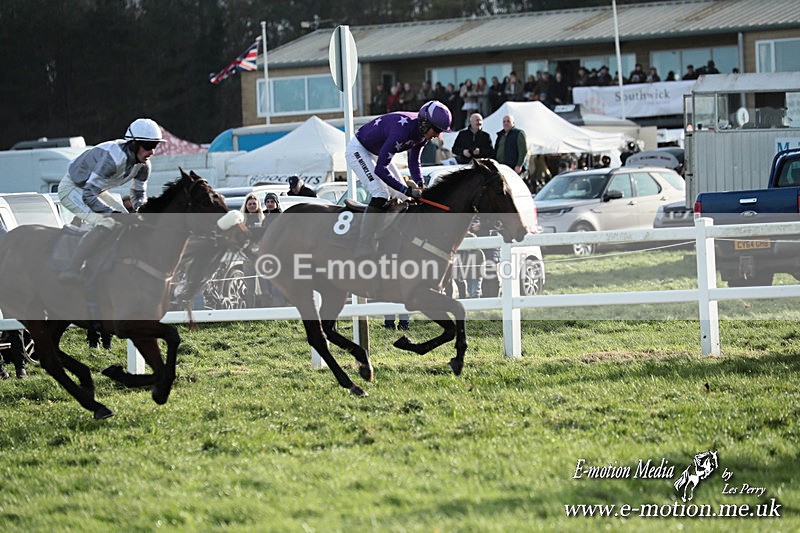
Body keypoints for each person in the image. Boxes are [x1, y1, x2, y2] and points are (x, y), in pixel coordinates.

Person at [57, 117, 164, 282]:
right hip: (73, 189)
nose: (152, 152)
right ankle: (72, 267)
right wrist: (112, 213)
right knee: (108, 222)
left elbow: (138, 195)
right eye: (149, 146)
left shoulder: (144, 166)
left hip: (94, 190)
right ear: (134, 144)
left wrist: (141, 214)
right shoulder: (113, 159)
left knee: (128, 221)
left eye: (155, 146)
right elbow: (87, 195)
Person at [344, 100, 452, 257]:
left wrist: (420, 187)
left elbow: (414, 162)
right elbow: (380, 169)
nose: (437, 135)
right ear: (424, 123)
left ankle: (389, 238)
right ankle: (364, 244)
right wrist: (406, 189)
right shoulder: (401, 131)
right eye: (436, 130)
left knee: (403, 197)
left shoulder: (423, 134)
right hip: (359, 149)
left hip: (376, 149)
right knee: (380, 193)